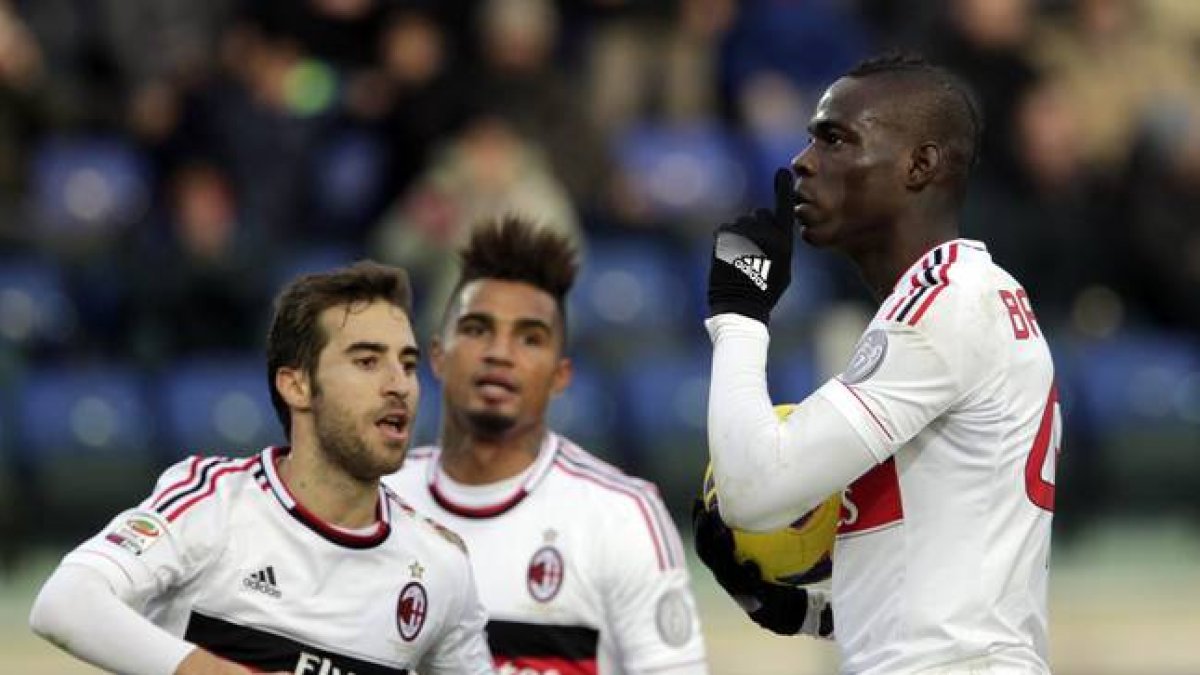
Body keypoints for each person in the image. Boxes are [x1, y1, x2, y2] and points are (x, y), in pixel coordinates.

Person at [696, 53, 1060, 674]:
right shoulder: (964, 297)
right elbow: (932, 574)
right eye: (810, 138)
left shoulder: (947, 305)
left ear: (920, 164)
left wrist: (737, 313)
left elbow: (753, 490)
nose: (802, 161)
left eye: (836, 138)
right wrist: (800, 611)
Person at [29, 262, 495, 675]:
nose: (399, 385)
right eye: (367, 361)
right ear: (297, 386)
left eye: (408, 365)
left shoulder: (439, 567)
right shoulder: (215, 502)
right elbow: (64, 603)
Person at [383, 216, 709, 674]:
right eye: (477, 329)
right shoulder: (380, 499)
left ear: (560, 376)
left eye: (529, 338)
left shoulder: (621, 516)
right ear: (437, 356)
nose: (500, 352)